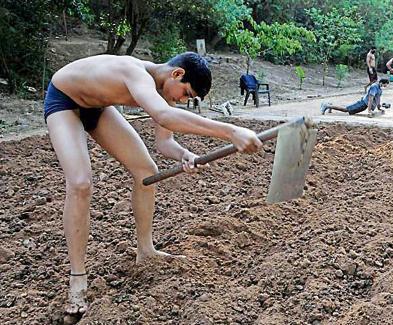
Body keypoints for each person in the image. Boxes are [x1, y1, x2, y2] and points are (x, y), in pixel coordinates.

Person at [44, 52, 263, 316]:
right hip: (65, 100)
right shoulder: (136, 72)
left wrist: (185, 155)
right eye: (186, 94)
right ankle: (77, 278)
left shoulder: (161, 91)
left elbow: (164, 142)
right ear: (177, 74)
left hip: (97, 107)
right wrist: (231, 131)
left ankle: (146, 250)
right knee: (80, 183)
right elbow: (164, 117)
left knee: (145, 170)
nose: (182, 100)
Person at [320, 78, 389, 117]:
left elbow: (377, 100)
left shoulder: (379, 89)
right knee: (346, 109)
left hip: (364, 105)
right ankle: (327, 105)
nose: (386, 86)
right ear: (382, 83)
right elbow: (370, 99)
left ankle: (330, 106)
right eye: (386, 84)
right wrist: (369, 111)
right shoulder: (374, 87)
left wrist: (379, 108)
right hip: (363, 103)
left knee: (349, 109)